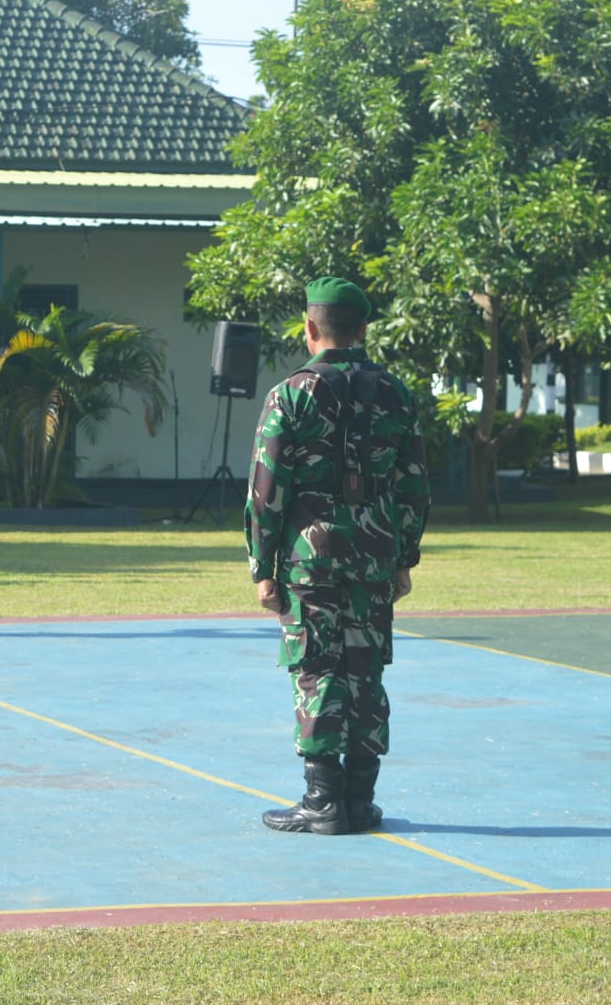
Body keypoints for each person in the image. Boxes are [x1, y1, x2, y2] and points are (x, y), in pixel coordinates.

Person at [245, 277, 430, 836]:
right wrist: (404, 557)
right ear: (363, 330)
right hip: (374, 553)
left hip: (310, 555)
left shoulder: (291, 393)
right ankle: (359, 799)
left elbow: (266, 487)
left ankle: (322, 801)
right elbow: (415, 485)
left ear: (310, 328)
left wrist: (263, 566)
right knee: (364, 668)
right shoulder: (395, 392)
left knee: (316, 667)